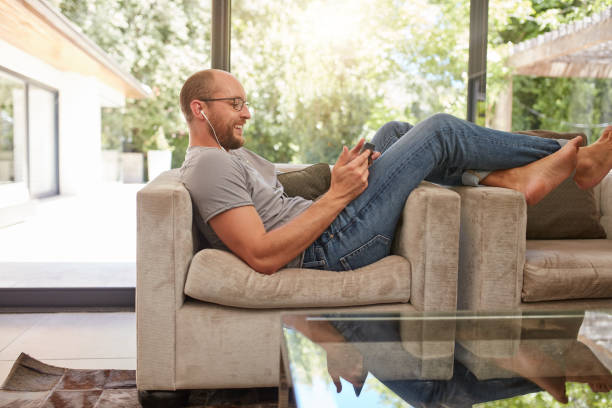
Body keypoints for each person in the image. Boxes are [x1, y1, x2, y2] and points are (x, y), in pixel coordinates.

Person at [179, 69, 612, 275]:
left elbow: (280, 208)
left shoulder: (229, 155)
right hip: (329, 249)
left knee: (394, 132)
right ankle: (575, 157)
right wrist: (338, 195)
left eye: (245, 102)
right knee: (439, 131)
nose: (247, 113)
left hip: (328, 226)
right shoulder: (209, 166)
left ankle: (497, 179)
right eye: (235, 104)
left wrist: (342, 178)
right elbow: (262, 255)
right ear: (200, 109)